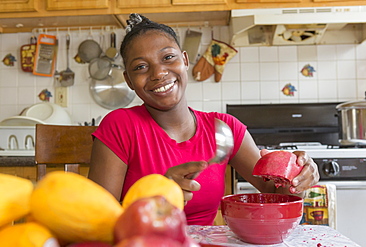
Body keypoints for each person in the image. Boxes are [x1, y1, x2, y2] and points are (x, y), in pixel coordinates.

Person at [88, 13, 319, 226]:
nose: (158, 73)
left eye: (168, 57)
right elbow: (97, 218)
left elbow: (278, 196)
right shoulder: (119, 126)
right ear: (128, 80)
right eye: (141, 67)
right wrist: (154, 196)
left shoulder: (225, 128)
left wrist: (297, 178)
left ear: (185, 60)